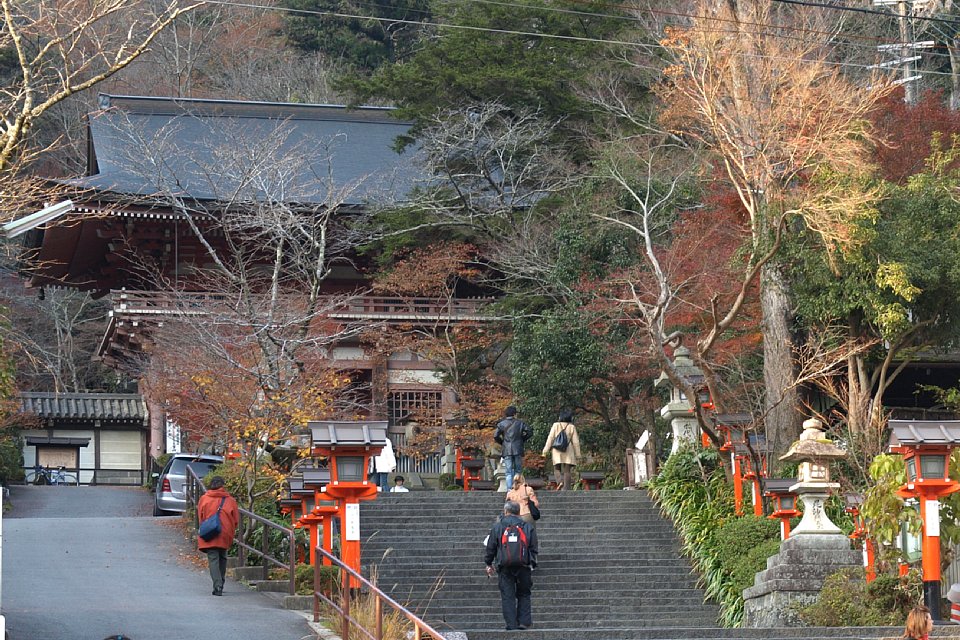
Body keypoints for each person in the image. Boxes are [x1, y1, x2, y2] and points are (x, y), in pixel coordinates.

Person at [484, 500, 538, 631]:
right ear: (518, 512)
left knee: (508, 595)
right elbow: (533, 547)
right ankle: (524, 622)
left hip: (504, 566)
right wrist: (531, 562)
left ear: (506, 511)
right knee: (524, 593)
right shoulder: (527, 526)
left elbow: (491, 547)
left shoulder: (498, 527)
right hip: (523, 565)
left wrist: (488, 563)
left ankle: (511, 624)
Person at [197, 476, 239, 596]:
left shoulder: (204, 499)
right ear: (222, 486)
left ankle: (217, 585)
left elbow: (201, 516)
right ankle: (221, 582)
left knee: (213, 558)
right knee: (223, 557)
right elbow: (236, 519)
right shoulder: (230, 500)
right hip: (225, 532)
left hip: (210, 532)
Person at [541, 409, 581, 490]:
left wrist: (545, 451)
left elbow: (550, 438)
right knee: (567, 470)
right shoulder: (572, 427)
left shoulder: (556, 425)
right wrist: (578, 454)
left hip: (557, 449)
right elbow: (576, 442)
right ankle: (566, 489)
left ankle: (560, 482)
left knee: (556, 469)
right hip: (568, 449)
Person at [495, 406, 532, 491]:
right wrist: (522, 439)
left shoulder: (501, 424)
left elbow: (495, 435)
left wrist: (502, 442)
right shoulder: (520, 423)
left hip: (507, 449)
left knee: (508, 471)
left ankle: (509, 489)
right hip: (518, 448)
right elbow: (529, 432)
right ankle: (518, 488)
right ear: (514, 414)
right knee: (518, 470)